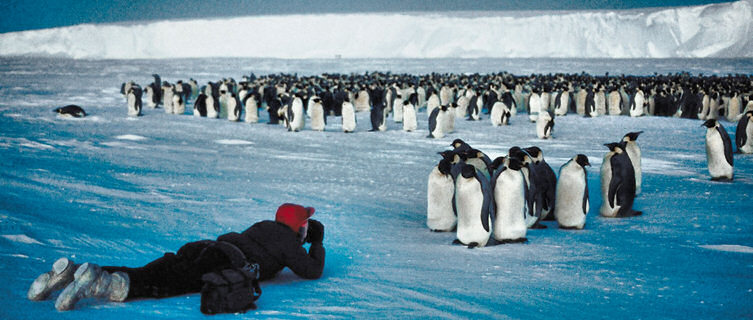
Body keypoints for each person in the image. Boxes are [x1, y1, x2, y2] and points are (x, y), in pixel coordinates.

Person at [27, 203, 325, 311]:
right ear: (298, 227)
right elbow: (311, 271)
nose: (307, 229)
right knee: (165, 283)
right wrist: (317, 243)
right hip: (221, 261)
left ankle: (74, 273)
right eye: (305, 225)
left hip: (206, 246)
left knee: (153, 270)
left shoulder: (264, 226)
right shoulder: (288, 240)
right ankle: (104, 285)